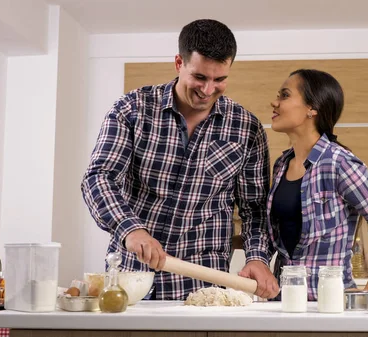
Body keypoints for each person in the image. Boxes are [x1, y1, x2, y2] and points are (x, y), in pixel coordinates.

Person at [81, 19, 279, 301]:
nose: (208, 90)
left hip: (204, 285)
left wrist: (257, 257)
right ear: (178, 63)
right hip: (133, 279)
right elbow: (99, 177)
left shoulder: (246, 128)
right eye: (199, 77)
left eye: (220, 79)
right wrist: (131, 229)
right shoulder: (133, 109)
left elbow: (255, 208)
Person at [267, 69, 368, 300]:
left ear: (312, 109)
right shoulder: (281, 164)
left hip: (330, 304)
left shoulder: (339, 163)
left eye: (284, 95)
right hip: (283, 302)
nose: (274, 102)